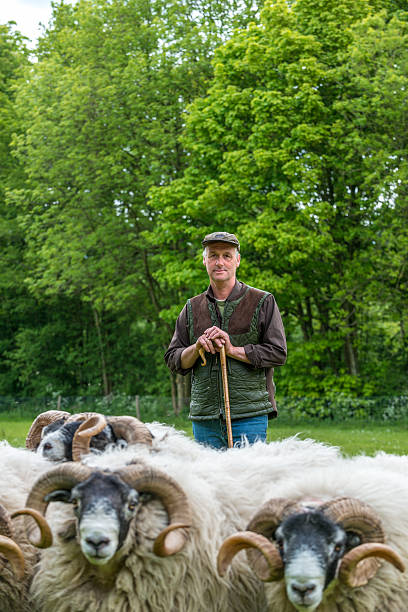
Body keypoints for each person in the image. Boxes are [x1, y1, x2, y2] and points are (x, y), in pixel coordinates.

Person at [164, 231, 287, 449]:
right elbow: (173, 359)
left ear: (237, 260)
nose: (220, 262)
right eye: (213, 255)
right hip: (204, 419)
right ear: (204, 261)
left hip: (250, 415)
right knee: (209, 482)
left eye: (227, 256)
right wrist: (197, 347)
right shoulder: (191, 308)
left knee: (248, 481)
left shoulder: (263, 301)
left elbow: (277, 352)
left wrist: (232, 350)